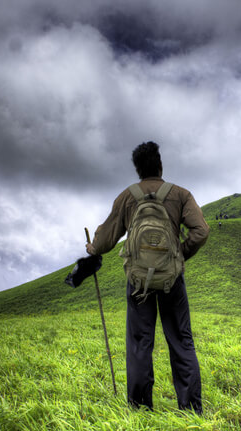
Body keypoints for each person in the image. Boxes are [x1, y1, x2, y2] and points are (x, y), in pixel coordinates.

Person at [86, 141, 209, 414]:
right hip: (171, 279)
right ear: (160, 165)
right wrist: (178, 256)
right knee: (181, 341)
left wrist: (93, 247)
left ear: (137, 170)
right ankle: (191, 411)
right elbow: (201, 231)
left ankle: (140, 410)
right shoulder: (180, 194)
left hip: (138, 281)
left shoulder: (127, 197)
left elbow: (106, 239)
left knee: (140, 345)